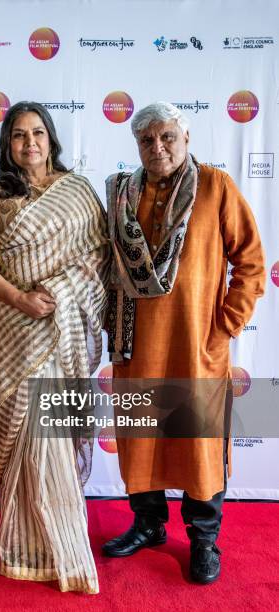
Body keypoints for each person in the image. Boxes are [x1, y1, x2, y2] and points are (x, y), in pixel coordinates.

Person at [102, 102, 265, 584]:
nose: (158, 148)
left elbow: (251, 263)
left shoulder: (215, 187)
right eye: (147, 140)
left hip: (197, 346)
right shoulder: (119, 194)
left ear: (186, 139)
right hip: (135, 345)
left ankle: (204, 540)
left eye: (168, 137)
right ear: (136, 146)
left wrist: (225, 324)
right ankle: (149, 525)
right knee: (143, 440)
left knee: (198, 445)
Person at [0, 102, 109, 594]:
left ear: (51, 139)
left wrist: (61, 295)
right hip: (11, 326)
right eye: (19, 136)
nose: (30, 143)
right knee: (19, 437)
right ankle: (23, 549)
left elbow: (99, 260)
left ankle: (62, 549)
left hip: (62, 329)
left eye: (38, 133)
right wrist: (21, 299)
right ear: (7, 145)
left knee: (49, 440)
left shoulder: (79, 192)